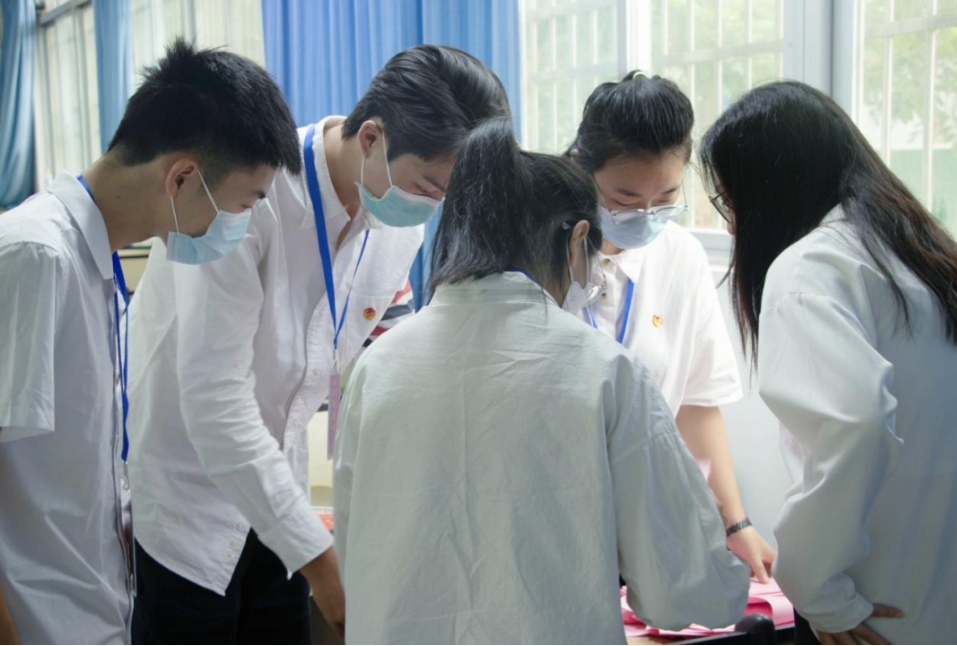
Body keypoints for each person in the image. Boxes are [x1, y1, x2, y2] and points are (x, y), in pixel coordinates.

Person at [126, 45, 511, 644]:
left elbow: (386, 363)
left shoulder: (398, 226)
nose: (432, 207)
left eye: (446, 196)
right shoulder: (249, 194)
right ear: (372, 137)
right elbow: (214, 400)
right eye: (428, 186)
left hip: (280, 493)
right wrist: (322, 563)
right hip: (189, 498)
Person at [333, 119, 750, 645]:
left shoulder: (377, 367)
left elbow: (353, 550)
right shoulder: (604, 370)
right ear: (577, 239)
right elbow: (684, 591)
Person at [0, 39, 300, 645]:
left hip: (91, 611)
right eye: (244, 203)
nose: (241, 225)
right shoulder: (37, 255)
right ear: (182, 177)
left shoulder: (98, 266)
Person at [700, 81, 957, 645]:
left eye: (730, 200)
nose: (730, 225)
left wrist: (817, 588)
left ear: (771, 188)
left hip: (876, 611)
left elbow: (858, 423)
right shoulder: (929, 258)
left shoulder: (810, 269)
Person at [568, 71, 776, 581]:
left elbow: (697, 404)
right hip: (555, 515)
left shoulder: (680, 255)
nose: (645, 214)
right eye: (624, 198)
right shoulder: (537, 254)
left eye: (665, 198)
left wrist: (736, 523)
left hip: (643, 521)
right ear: (581, 168)